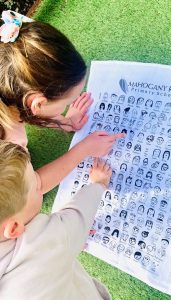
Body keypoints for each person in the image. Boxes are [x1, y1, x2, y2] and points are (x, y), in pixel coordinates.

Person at [0, 11, 124, 194]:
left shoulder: (8, 77)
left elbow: (28, 107)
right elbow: (34, 187)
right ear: (38, 104)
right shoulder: (10, 145)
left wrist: (64, 122)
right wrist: (83, 149)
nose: (68, 107)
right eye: (66, 103)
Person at [0, 140, 112, 299]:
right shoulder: (44, 240)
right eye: (36, 187)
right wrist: (98, 184)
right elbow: (78, 215)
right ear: (13, 228)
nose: (40, 184)